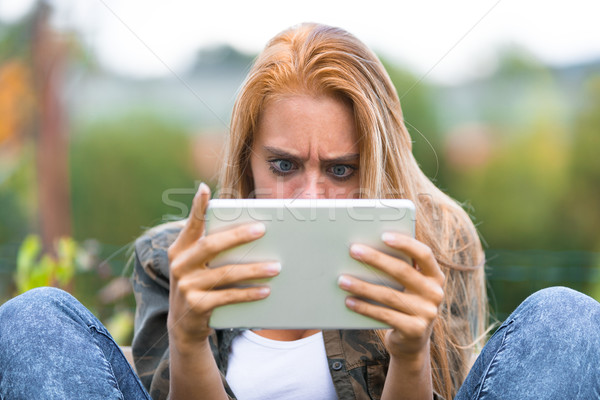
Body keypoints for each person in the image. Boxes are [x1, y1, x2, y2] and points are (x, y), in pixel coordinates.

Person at [1, 22, 599, 400]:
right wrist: (186, 342)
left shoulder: (435, 245)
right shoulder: (173, 260)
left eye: (341, 170)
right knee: (35, 318)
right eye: (284, 165)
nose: (310, 197)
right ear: (247, 160)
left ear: (378, 166)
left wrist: (410, 358)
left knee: (566, 319)